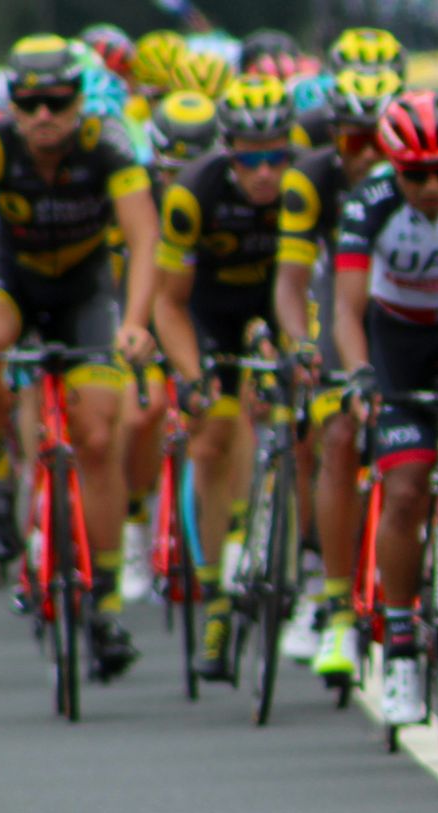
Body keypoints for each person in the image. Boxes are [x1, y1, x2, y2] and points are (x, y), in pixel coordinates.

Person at [0, 34, 160, 675]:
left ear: (78, 101)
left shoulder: (107, 142)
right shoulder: (1, 143)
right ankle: (0, 480)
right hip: (13, 280)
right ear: (13, 104)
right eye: (28, 103)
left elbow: (144, 240)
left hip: (86, 291)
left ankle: (106, 600)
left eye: (57, 101)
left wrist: (138, 323)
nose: (43, 115)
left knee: (96, 435)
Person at [332, 89, 438, 725]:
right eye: (417, 174)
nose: (434, 186)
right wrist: (362, 373)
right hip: (396, 339)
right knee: (404, 488)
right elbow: (345, 304)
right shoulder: (370, 202)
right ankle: (399, 647)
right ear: (393, 166)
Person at [151, 75, 296, 682]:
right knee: (215, 432)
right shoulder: (194, 194)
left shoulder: (303, 186)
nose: (265, 172)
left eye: (276, 156)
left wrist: (307, 354)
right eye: (249, 158)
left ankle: (293, 568)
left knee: (304, 426)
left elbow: (313, 286)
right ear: (227, 150)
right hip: (208, 311)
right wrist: (191, 376)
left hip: (281, 299)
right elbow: (167, 304)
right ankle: (214, 592)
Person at [274, 66, 400, 682]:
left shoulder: (424, 175)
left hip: (408, 309)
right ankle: (334, 605)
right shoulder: (312, 177)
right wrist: (301, 345)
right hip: (342, 304)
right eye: (354, 140)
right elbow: (293, 281)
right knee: (339, 436)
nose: (369, 154)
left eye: (381, 139)